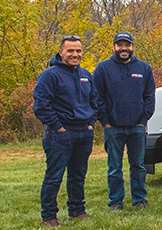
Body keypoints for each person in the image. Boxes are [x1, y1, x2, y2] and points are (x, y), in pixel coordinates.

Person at [33, 35, 96, 227]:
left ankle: (76, 211)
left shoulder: (86, 75)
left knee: (78, 175)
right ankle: (49, 217)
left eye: (78, 51)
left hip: (84, 133)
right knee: (54, 177)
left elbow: (94, 101)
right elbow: (41, 105)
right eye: (70, 51)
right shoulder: (50, 75)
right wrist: (58, 127)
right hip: (60, 135)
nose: (75, 54)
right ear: (61, 52)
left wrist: (91, 123)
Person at [90, 32, 153, 211]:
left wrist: (143, 120)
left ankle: (139, 200)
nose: (124, 48)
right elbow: (96, 97)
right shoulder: (103, 69)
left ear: (132, 47)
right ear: (114, 47)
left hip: (137, 127)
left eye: (127, 45)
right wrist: (105, 122)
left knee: (138, 166)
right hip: (113, 127)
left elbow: (149, 96)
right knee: (114, 168)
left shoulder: (144, 68)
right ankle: (116, 202)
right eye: (120, 45)